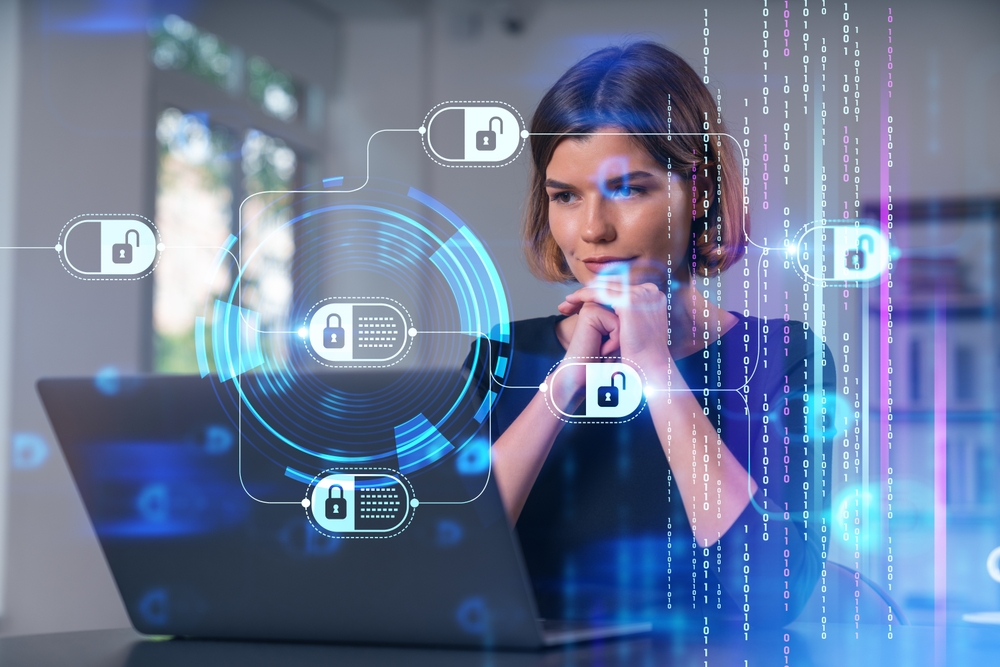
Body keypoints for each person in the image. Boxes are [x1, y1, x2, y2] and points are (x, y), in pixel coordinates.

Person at [471, 42, 834, 628]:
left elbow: (773, 593)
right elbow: (446, 566)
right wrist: (564, 385)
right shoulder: (501, 357)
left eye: (630, 189)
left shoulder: (782, 358)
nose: (592, 230)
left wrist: (655, 367)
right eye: (565, 196)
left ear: (701, 192)